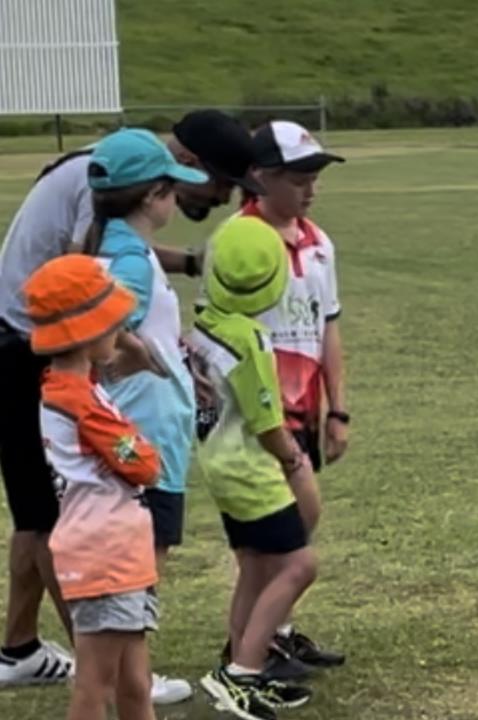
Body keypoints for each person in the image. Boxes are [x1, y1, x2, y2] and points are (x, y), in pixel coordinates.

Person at [0, 110, 261, 699]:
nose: (219, 200)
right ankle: (114, 670)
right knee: (52, 516)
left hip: (35, 345)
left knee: (39, 512)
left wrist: (183, 280)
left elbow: (110, 269)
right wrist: (142, 357)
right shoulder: (100, 188)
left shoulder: (113, 172)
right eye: (218, 186)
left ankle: (21, 650)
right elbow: (89, 283)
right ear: (171, 178)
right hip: (24, 346)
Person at [76, 128, 210, 704]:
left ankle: (136, 695)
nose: (176, 199)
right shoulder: (129, 253)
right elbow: (101, 325)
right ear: (153, 195)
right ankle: (120, 692)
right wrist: (138, 357)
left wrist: (172, 359)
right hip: (144, 444)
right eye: (172, 189)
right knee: (132, 592)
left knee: (132, 594)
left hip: (142, 436)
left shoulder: (107, 242)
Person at [188, 216, 317, 720]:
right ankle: (243, 673)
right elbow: (267, 421)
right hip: (251, 472)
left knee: (256, 567)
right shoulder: (251, 340)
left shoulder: (203, 324)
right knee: (299, 564)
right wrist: (292, 457)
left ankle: (241, 664)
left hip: (219, 467)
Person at [25, 255, 161, 720]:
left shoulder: (67, 385)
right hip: (105, 553)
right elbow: (144, 465)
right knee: (94, 684)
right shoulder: (79, 399)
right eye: (112, 321)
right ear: (86, 331)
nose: (120, 328)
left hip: (115, 548)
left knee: (135, 682)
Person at [238, 120, 347, 669]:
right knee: (278, 538)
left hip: (304, 405)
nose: (310, 188)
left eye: (315, 176)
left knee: (289, 532)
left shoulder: (319, 243)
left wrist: (339, 409)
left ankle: (272, 634)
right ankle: (250, 652)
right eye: (299, 177)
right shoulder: (240, 242)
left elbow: (327, 326)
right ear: (260, 177)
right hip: (258, 415)